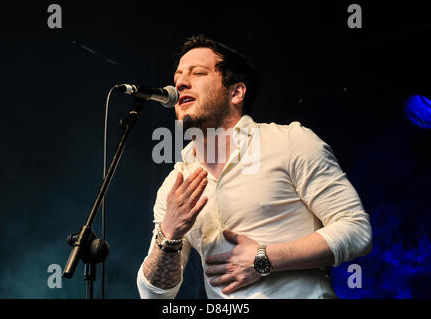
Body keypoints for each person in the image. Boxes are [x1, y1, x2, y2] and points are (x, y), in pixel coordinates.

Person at [136, 35, 372, 298]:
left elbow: (356, 230)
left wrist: (264, 258)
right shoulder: (175, 184)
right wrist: (169, 235)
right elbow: (155, 294)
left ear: (236, 92)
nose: (179, 83)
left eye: (198, 73)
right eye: (178, 76)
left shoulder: (290, 142)